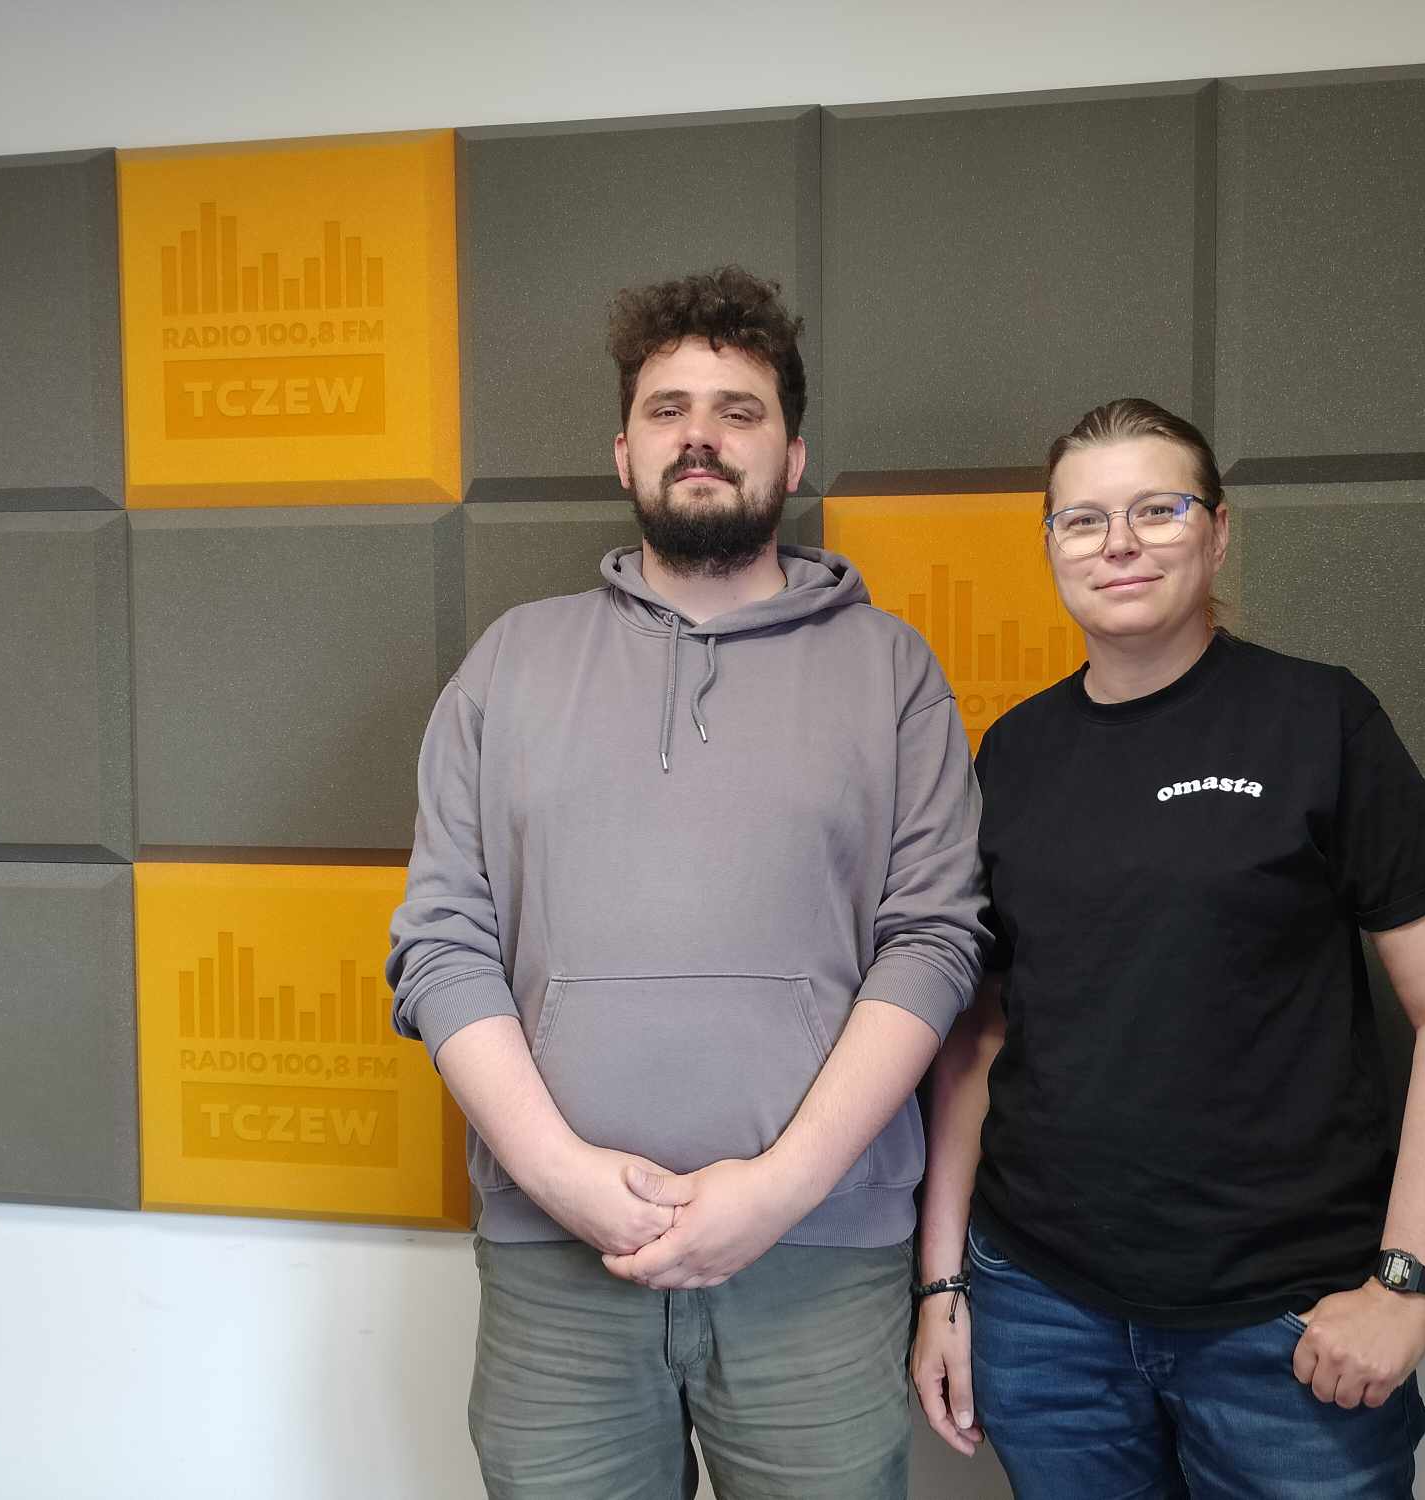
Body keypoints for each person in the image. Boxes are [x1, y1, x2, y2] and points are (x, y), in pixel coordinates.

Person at [388, 265, 987, 1500]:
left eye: (737, 409)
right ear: (624, 452)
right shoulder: (509, 664)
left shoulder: (891, 671)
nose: (700, 435)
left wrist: (778, 1191)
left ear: (791, 454)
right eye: (667, 409)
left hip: (820, 1266)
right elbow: (442, 944)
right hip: (557, 1274)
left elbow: (932, 944)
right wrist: (560, 1176)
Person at [909, 398, 1425, 1499]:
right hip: (1041, 1309)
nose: (1119, 543)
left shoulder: (1318, 719)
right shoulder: (1014, 751)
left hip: (1283, 1326)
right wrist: (943, 1282)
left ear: (1219, 530)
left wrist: (1408, 1285)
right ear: (1050, 546)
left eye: (1158, 509)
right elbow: (982, 1032)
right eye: (1083, 520)